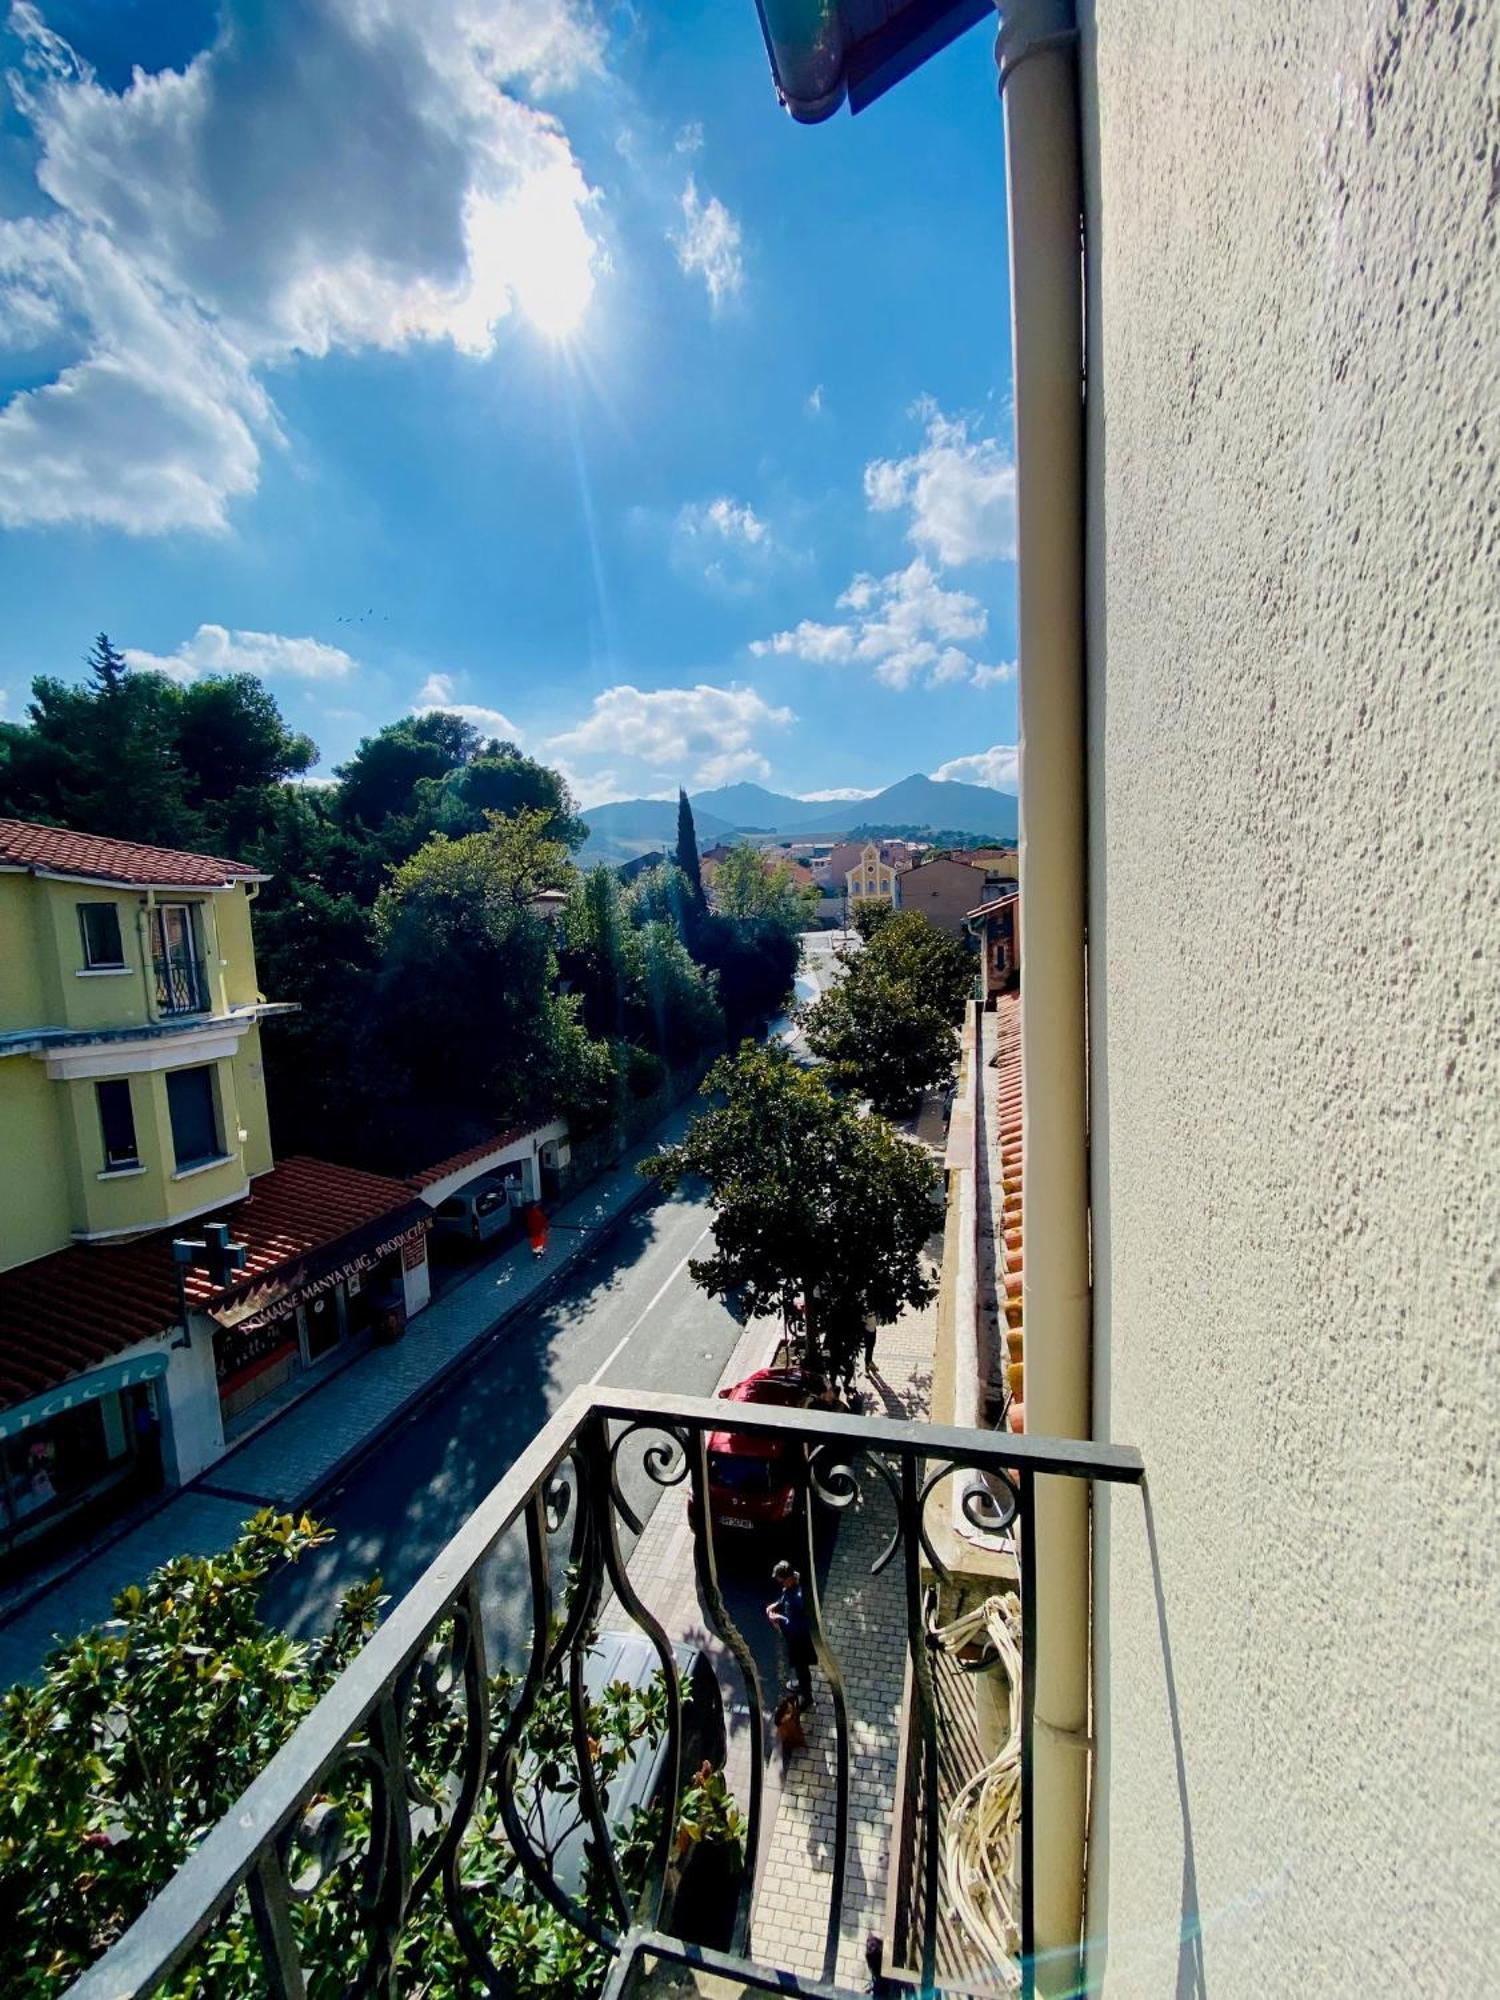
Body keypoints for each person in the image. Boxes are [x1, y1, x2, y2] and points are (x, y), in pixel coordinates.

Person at [767, 1560, 816, 1711]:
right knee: (799, 1666)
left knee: (802, 1667)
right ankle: (801, 1685)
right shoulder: (791, 1586)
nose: (780, 1583)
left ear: (788, 1578)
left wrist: (779, 1619)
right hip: (795, 1639)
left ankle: (807, 1698)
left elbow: (797, 1626)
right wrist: (777, 1605)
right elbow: (785, 1598)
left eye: (781, 1580)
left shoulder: (799, 1597)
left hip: (800, 1640)